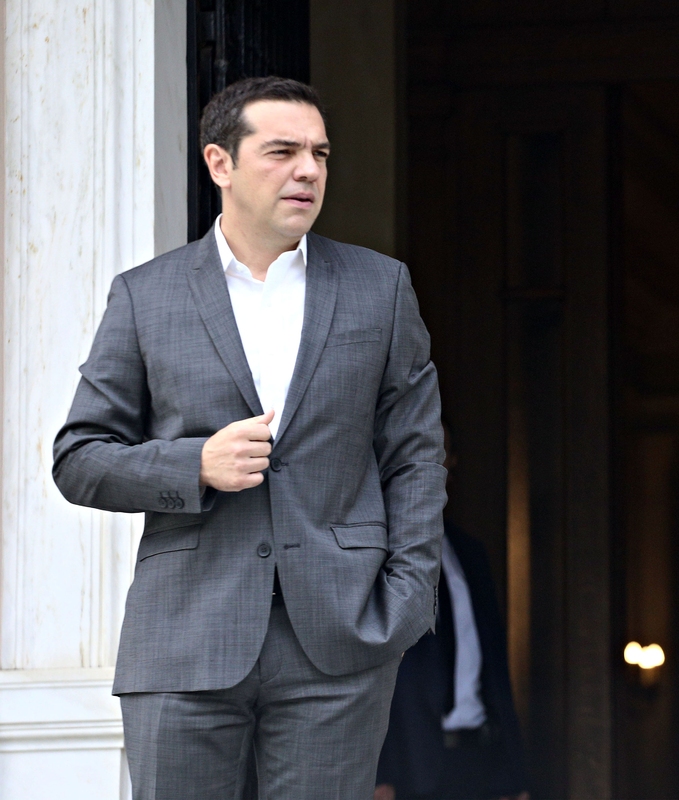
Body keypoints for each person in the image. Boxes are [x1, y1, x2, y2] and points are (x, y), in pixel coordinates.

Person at [52, 76, 446, 799]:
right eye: (283, 151)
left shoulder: (380, 288)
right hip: (184, 635)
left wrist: (408, 596)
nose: (308, 171)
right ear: (220, 162)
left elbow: (415, 455)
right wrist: (194, 464)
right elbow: (79, 458)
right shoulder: (146, 294)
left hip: (341, 636)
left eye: (320, 154)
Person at [375, 427, 530, 800]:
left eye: (439, 451)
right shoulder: (375, 551)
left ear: (452, 462)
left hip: (480, 760)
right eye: (418, 450)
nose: (430, 463)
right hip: (408, 772)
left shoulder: (469, 553)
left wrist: (513, 775)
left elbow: (494, 669)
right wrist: (379, 773)